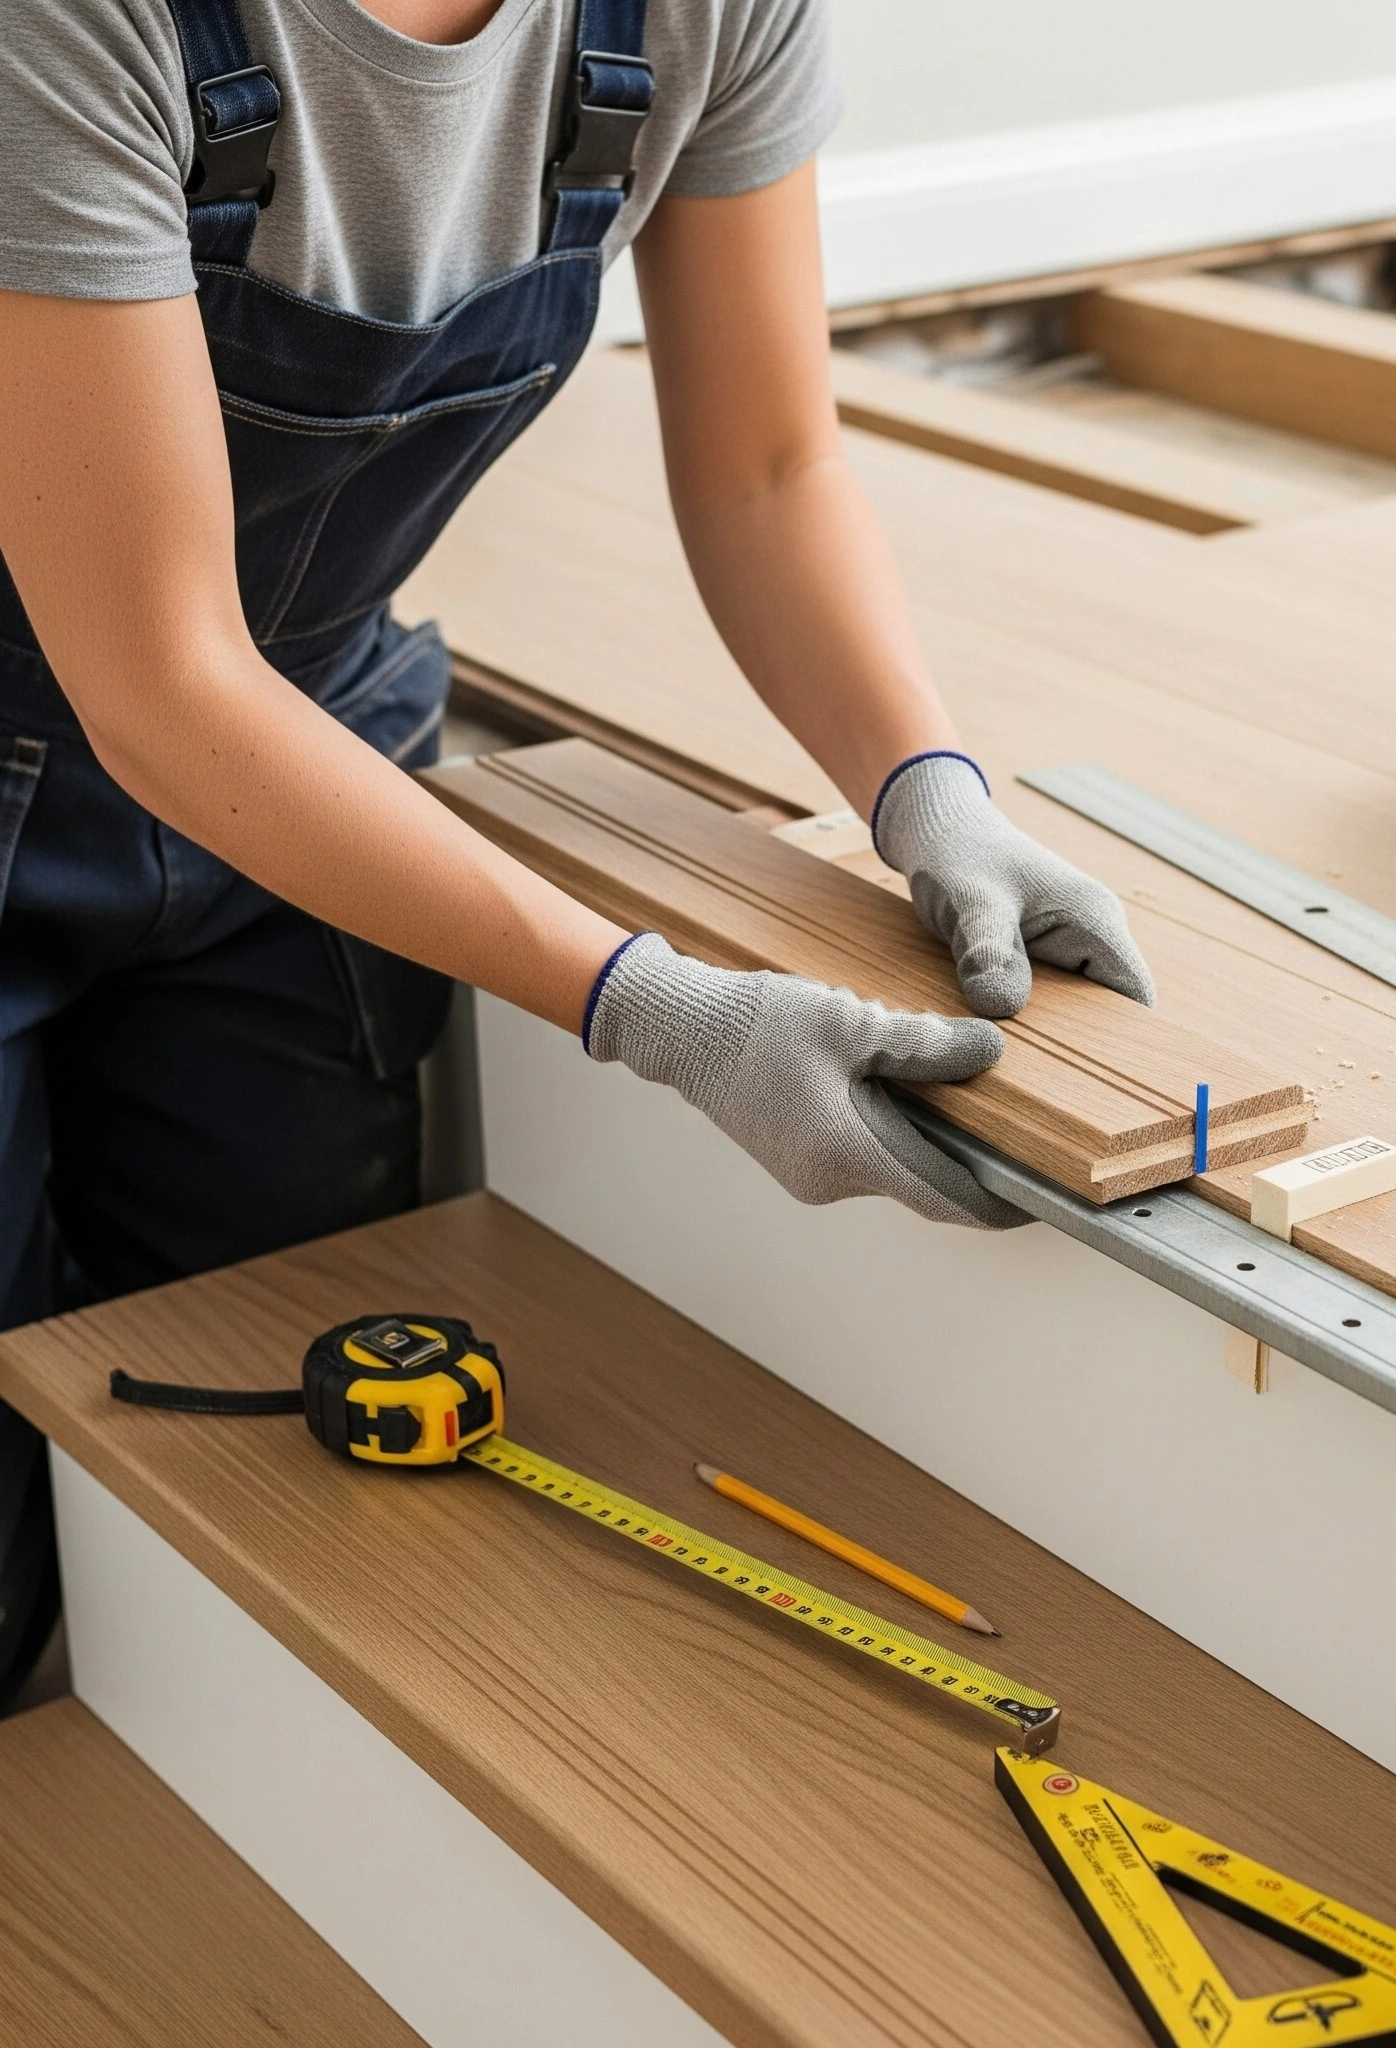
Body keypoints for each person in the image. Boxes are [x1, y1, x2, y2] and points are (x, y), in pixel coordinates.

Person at [0, 0, 1154, 1708]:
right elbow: (161, 679)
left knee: (271, 1442)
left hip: (307, 794)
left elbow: (772, 472)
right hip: (120, 714)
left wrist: (927, 788)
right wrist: (660, 1010)